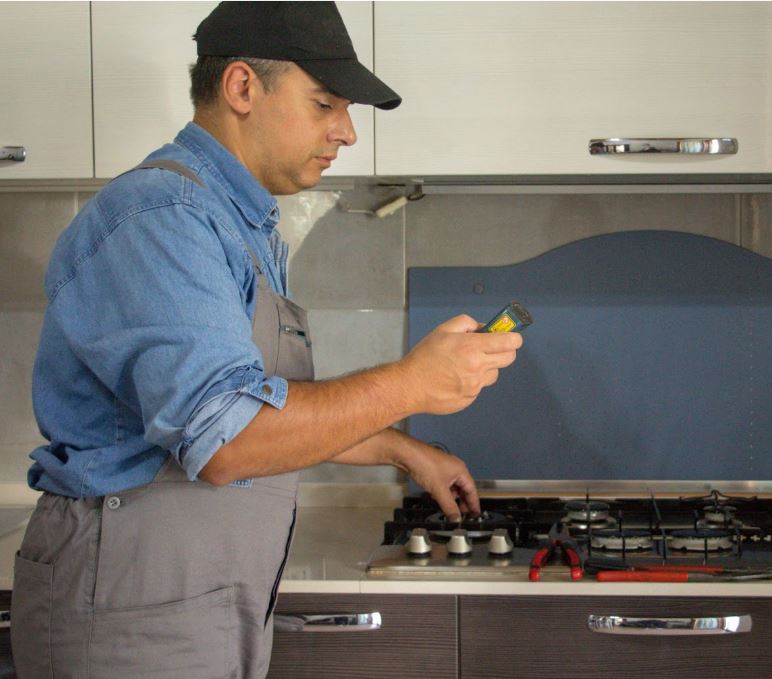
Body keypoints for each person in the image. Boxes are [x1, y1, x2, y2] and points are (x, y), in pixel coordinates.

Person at [10, 3, 522, 677]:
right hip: (130, 612)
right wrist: (413, 382)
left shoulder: (238, 222)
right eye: (325, 104)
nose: (346, 132)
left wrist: (400, 448)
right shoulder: (165, 218)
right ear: (242, 88)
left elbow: (260, 406)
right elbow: (229, 441)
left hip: (193, 602)